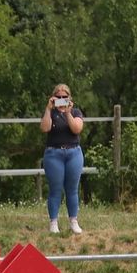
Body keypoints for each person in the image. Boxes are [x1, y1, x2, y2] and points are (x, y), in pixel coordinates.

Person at [40, 83, 85, 234]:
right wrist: (48, 109)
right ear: (53, 98)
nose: (61, 99)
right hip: (54, 154)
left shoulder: (76, 112)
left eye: (64, 97)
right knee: (55, 189)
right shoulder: (51, 113)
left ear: (69, 98)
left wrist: (68, 112)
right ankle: (53, 222)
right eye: (58, 97)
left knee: (72, 189)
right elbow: (45, 128)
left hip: (73, 153)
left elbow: (76, 128)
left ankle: (73, 221)